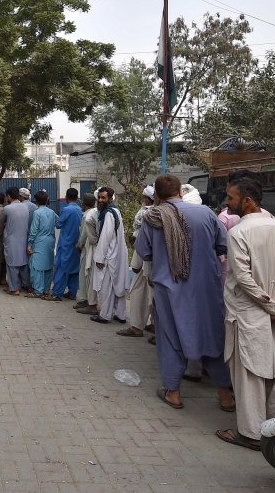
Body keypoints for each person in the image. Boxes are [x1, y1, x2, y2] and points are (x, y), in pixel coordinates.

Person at [217, 176, 275, 451]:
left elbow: (243, 278)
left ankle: (252, 434)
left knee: (249, 375)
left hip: (250, 313)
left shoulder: (238, 233)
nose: (227, 203)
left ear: (247, 201)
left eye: (231, 198)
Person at [135, 174, 235, 412]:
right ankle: (225, 396)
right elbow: (222, 246)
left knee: (170, 339)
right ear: (180, 191)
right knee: (212, 336)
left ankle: (174, 392)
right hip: (206, 289)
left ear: (157, 196)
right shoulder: (207, 213)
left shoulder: (154, 217)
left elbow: (144, 252)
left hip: (170, 290)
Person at [117, 186, 155, 337]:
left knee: (138, 290)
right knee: (153, 295)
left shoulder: (145, 213)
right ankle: (153, 325)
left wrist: (136, 264)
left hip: (145, 258)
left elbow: (141, 237)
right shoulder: (161, 211)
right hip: (158, 261)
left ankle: (136, 327)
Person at [90, 186, 128, 323]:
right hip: (117, 252)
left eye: (103, 198)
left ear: (110, 198)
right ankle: (120, 314)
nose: (100, 200)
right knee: (117, 285)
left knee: (106, 286)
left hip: (109, 254)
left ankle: (105, 315)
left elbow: (105, 237)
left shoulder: (108, 213)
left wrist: (100, 257)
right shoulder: (115, 210)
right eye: (99, 197)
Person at [52, 188, 83, 301]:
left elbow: (59, 225)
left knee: (61, 267)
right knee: (74, 269)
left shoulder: (66, 209)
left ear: (66, 197)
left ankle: (57, 293)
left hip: (66, 243)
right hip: (77, 243)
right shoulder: (80, 210)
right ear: (77, 197)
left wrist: (56, 220)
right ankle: (72, 292)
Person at [27, 190, 58, 300]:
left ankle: (38, 290)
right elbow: (58, 222)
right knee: (48, 266)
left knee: (37, 267)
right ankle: (46, 289)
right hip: (50, 241)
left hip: (40, 241)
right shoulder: (51, 211)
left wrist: (29, 244)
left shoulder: (37, 212)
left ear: (36, 201)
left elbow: (34, 230)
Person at [75, 193, 100, 313]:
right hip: (93, 248)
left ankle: (86, 300)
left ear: (83, 204)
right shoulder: (95, 212)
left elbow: (84, 233)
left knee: (84, 275)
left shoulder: (86, 216)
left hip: (87, 248)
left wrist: (79, 244)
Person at [3, 187, 30, 295]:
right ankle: (26, 286)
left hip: (11, 240)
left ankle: (14, 289)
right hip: (23, 240)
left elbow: (0, 222)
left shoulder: (8, 208)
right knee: (23, 264)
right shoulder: (25, 207)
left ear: (9, 196)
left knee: (12, 265)